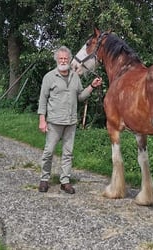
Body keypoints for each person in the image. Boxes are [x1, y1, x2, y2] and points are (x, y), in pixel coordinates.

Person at [37, 45, 102, 194]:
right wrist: (42, 119)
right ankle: (44, 179)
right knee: (48, 152)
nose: (63, 60)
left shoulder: (75, 77)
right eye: (61, 58)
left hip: (71, 122)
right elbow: (43, 99)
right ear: (56, 60)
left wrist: (92, 86)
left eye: (66, 58)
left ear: (69, 59)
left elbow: (80, 96)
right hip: (54, 121)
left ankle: (64, 181)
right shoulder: (49, 77)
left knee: (68, 153)